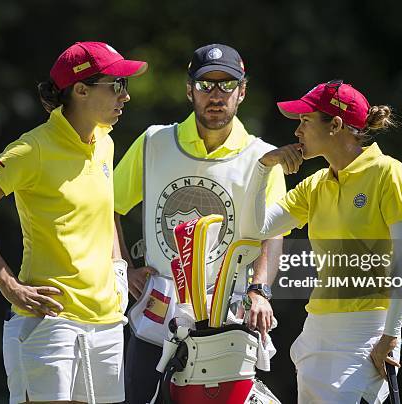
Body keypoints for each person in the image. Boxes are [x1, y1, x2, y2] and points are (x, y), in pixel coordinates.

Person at [0, 41, 147, 404]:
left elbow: (103, 215)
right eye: (117, 85)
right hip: (50, 324)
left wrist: (121, 269)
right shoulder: (32, 149)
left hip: (106, 325)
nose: (125, 96)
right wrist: (8, 284)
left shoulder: (104, 140)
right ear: (81, 90)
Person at [113, 44, 287, 403]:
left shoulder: (263, 156)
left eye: (226, 85)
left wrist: (260, 289)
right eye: (207, 85)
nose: (216, 96)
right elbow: (108, 207)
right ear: (189, 89)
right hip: (158, 314)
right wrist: (122, 267)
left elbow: (273, 234)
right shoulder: (153, 142)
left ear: (243, 91)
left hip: (228, 315)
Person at [240, 80, 402, 404]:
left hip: (367, 333)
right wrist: (263, 167)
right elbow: (258, 227)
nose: (297, 132)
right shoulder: (316, 184)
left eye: (305, 121)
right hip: (317, 332)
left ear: (335, 125)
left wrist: (390, 336)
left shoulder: (389, 173)